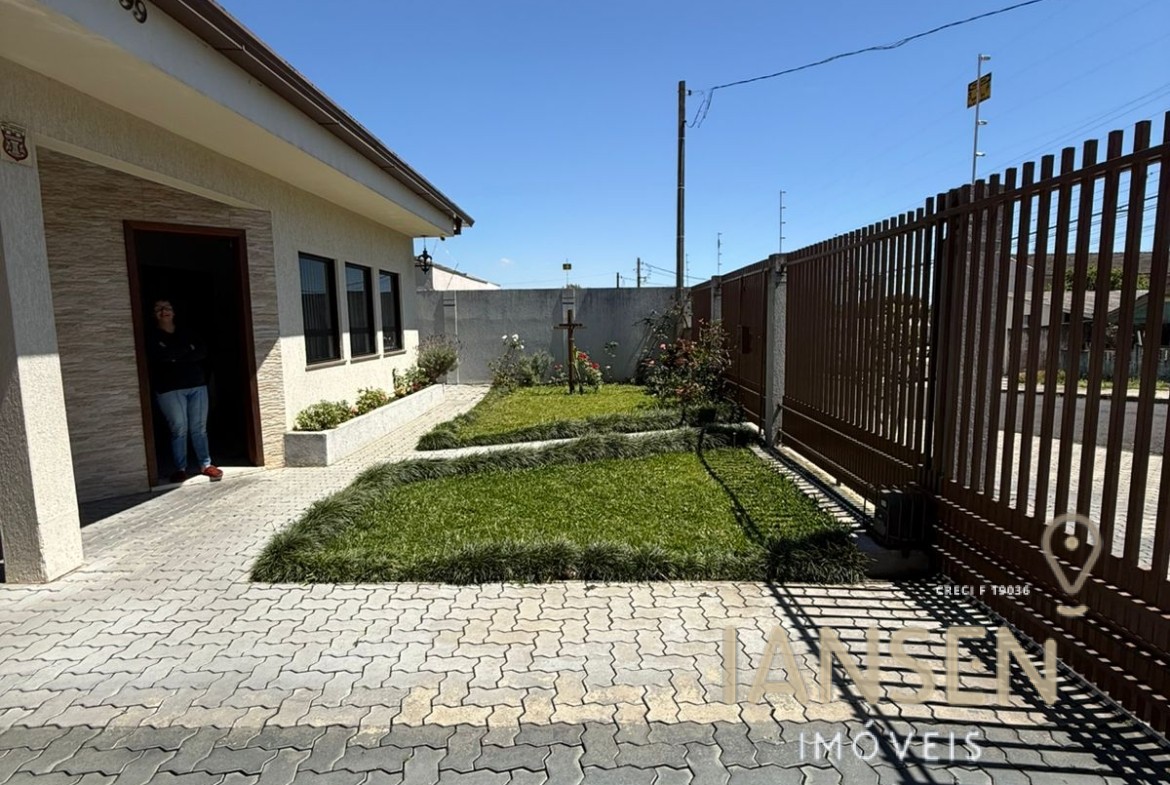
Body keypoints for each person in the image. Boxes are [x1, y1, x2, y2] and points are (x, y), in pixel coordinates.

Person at [146, 299, 223, 483]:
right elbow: (160, 356)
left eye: (168, 307)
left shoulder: (187, 332)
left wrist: (175, 355)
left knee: (199, 428)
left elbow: (202, 351)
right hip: (169, 389)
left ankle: (206, 464)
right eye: (159, 308)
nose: (164, 311)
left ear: (174, 312)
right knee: (179, 428)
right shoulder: (152, 336)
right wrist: (187, 352)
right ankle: (180, 468)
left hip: (197, 384)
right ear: (154, 314)